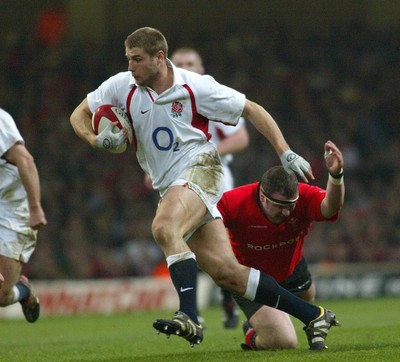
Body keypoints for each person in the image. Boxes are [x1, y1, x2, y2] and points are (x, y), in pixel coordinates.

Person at [70, 27, 338, 350]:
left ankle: (189, 316)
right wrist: (95, 139)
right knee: (229, 274)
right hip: (170, 182)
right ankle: (313, 314)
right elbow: (79, 114)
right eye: (128, 59)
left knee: (164, 227)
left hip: (202, 168)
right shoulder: (121, 85)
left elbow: (251, 109)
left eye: (137, 60)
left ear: (159, 58)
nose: (130, 67)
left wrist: (284, 151)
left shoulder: (195, 87)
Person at [218, 140, 344, 350]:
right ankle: (251, 333)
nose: (287, 212)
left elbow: (330, 208)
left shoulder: (303, 196)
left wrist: (336, 176)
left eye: (291, 205)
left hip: (291, 268)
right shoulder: (234, 202)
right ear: (263, 197)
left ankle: (265, 321)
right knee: (284, 342)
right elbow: (209, 225)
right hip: (251, 280)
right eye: (280, 206)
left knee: (308, 296)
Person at [169, 46, 249, 329]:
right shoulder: (164, 99)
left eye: (191, 62)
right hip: (176, 180)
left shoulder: (207, 94)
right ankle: (203, 305)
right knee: (186, 240)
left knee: (222, 242)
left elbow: (240, 137)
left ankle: (232, 298)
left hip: (213, 177)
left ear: (201, 69)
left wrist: (208, 153)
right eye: (179, 63)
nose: (185, 66)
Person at [0, 108, 47, 323]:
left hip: (12, 211)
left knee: (1, 295)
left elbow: (25, 160)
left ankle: (23, 291)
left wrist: (35, 207)